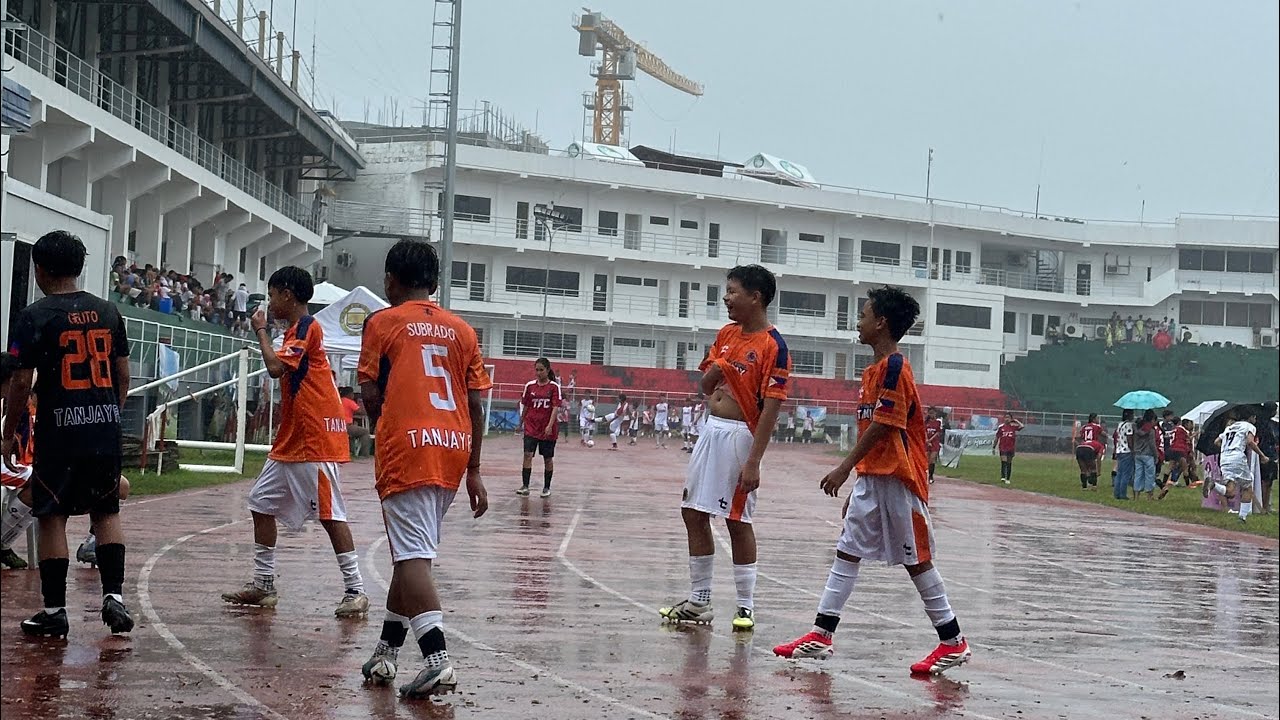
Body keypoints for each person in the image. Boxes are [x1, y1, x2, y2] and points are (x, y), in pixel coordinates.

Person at [773, 285, 971, 676]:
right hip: (872, 478)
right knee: (847, 550)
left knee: (917, 561)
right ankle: (821, 633)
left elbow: (884, 425)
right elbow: (873, 427)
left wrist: (844, 467)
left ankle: (953, 641)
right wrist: (859, 481)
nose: (858, 322)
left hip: (899, 479)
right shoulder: (871, 372)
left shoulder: (896, 368)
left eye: (863, 315)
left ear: (881, 323)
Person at [356, 239, 491, 697]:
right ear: (433, 283)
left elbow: (370, 393)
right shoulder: (463, 330)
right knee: (410, 555)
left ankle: (437, 660)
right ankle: (386, 654)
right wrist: (474, 468)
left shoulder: (381, 322)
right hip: (453, 446)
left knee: (412, 558)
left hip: (408, 446)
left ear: (391, 281)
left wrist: (383, 425)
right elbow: (475, 401)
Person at [2, 230, 134, 637]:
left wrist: (8, 434)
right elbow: (122, 377)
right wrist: (109, 415)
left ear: (40, 269)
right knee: (106, 510)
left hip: (59, 429)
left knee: (52, 515)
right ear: (79, 267)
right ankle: (114, 597)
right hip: (102, 425)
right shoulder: (109, 313)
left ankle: (55, 610)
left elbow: (21, 384)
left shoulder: (34, 316)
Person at [221, 267, 368, 618]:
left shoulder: (305, 327)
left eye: (272, 295)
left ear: (287, 295)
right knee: (260, 503)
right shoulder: (295, 331)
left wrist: (259, 331)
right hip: (292, 439)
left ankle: (356, 589)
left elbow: (275, 368)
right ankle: (264, 584)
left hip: (313, 438)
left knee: (331, 515)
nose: (270, 302)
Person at [659, 264, 790, 632]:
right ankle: (699, 601)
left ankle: (745, 606)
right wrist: (719, 365)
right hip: (710, 430)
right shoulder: (727, 334)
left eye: (732, 291)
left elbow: (771, 409)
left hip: (739, 434)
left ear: (756, 296)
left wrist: (754, 461)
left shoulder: (773, 346)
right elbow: (706, 385)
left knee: (736, 519)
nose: (726, 298)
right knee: (692, 512)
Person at [1211, 408, 1269, 523]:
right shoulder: (1249, 426)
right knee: (1247, 486)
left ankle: (1213, 485)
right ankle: (1242, 517)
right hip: (1237, 456)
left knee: (1230, 491)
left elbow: (1216, 441)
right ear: (1251, 417)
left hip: (1224, 457)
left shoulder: (1230, 427)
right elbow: (1250, 442)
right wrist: (1262, 455)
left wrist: (1226, 447)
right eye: (1254, 417)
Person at [517, 358, 561, 498]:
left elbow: (555, 408)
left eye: (541, 370)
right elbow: (526, 406)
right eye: (536, 370)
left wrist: (549, 425)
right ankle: (525, 486)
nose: (538, 373)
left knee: (547, 458)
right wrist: (520, 423)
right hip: (531, 426)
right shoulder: (530, 386)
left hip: (547, 429)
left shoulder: (554, 387)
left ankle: (546, 487)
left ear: (547, 370)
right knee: (527, 455)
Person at [1130, 410, 1160, 500]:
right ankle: (1149, 496)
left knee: (1138, 474)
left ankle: (1136, 495)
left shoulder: (1137, 427)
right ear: (1152, 420)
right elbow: (1152, 444)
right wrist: (1156, 455)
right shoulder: (1150, 430)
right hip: (1148, 454)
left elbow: (1134, 439)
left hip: (1137, 454)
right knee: (1150, 475)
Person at [1074, 413, 1106, 490]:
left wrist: (1079, 443)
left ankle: (1084, 486)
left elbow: (1077, 437)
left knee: (1083, 469)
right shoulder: (1097, 427)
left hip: (1081, 447)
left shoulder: (1084, 427)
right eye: (1097, 418)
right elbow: (1104, 434)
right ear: (1094, 419)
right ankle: (1093, 486)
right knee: (1093, 468)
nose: (1098, 420)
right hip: (1091, 447)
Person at [340, 387, 371, 458]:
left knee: (351, 434)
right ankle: (364, 454)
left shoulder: (339, 400)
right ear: (350, 394)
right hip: (347, 426)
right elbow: (361, 411)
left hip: (339, 425)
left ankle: (351, 452)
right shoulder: (349, 401)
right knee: (365, 432)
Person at [994, 414, 1024, 484]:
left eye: (1009, 418)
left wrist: (1016, 421)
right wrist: (994, 446)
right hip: (1003, 447)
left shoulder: (1013, 427)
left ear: (1011, 419)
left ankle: (1008, 478)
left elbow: (1022, 426)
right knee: (1003, 462)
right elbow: (997, 437)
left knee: (1009, 463)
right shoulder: (1001, 427)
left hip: (1011, 447)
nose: (1007, 419)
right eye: (1006, 417)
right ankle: (1003, 477)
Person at [1112, 409, 1135, 500]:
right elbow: (1129, 438)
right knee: (1126, 474)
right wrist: (1132, 450)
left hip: (1120, 450)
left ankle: (1116, 493)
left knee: (1119, 473)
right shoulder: (1129, 425)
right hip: (1127, 451)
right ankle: (1122, 494)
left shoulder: (1120, 424)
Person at [924, 408, 944, 484]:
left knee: (932, 459)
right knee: (927, 459)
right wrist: (927, 440)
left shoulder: (938, 422)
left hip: (934, 442)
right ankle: (925, 474)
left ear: (935, 413)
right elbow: (924, 431)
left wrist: (930, 440)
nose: (932, 415)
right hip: (926, 442)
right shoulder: (926, 422)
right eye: (930, 413)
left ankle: (931, 476)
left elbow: (938, 433)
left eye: (933, 413)